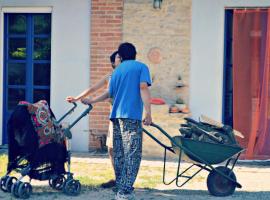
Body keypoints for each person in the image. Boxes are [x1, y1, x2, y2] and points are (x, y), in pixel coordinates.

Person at [81, 42, 152, 200]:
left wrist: (92, 100)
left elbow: (109, 93)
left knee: (119, 154)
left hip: (115, 117)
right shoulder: (141, 67)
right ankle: (124, 192)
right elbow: (143, 88)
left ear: (121, 55)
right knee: (132, 154)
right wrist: (148, 113)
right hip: (131, 116)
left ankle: (121, 186)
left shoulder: (116, 71)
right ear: (135, 53)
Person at [66, 51, 120, 188]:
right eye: (118, 58)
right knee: (111, 149)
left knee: (119, 149)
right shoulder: (110, 76)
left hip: (124, 116)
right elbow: (93, 88)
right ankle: (118, 178)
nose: (121, 59)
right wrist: (77, 98)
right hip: (113, 117)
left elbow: (109, 94)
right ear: (113, 63)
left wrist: (93, 100)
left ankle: (122, 180)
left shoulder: (125, 76)